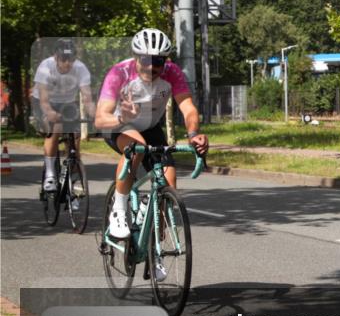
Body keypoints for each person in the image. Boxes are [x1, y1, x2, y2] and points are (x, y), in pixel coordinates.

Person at [93, 28, 209, 250]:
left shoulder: (172, 73)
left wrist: (194, 134)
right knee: (136, 147)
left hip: (151, 127)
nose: (151, 66)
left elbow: (188, 108)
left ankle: (154, 251)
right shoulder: (119, 73)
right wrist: (122, 116)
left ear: (166, 61)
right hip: (119, 125)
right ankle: (118, 209)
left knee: (169, 182)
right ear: (137, 57)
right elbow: (100, 118)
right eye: (146, 60)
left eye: (158, 61)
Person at [33, 39, 95, 192]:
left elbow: (87, 98)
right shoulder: (45, 67)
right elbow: (43, 99)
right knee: (56, 128)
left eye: (71, 59)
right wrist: (49, 113)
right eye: (64, 59)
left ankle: (72, 183)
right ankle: (50, 174)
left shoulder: (80, 68)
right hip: (44, 102)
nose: (67, 63)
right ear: (56, 57)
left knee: (75, 137)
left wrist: (96, 115)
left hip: (67, 103)